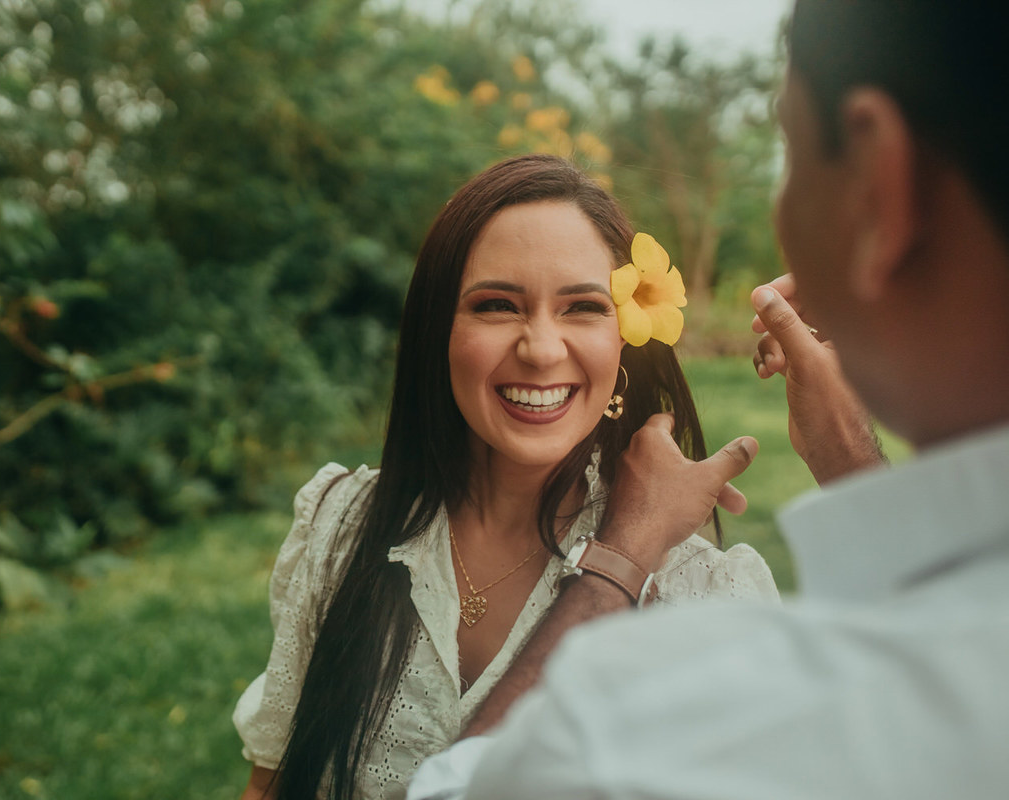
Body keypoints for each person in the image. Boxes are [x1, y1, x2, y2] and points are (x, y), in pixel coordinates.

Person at [407, 0, 1009, 798]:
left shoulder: (668, 693)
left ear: (877, 182)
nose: (541, 347)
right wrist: (849, 456)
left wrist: (620, 557)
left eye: (789, 153)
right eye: (495, 304)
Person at [233, 154, 779, 800]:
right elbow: (271, 784)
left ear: (625, 341)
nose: (541, 349)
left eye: (582, 307)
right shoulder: (341, 525)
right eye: (496, 305)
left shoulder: (699, 594)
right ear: (439, 331)